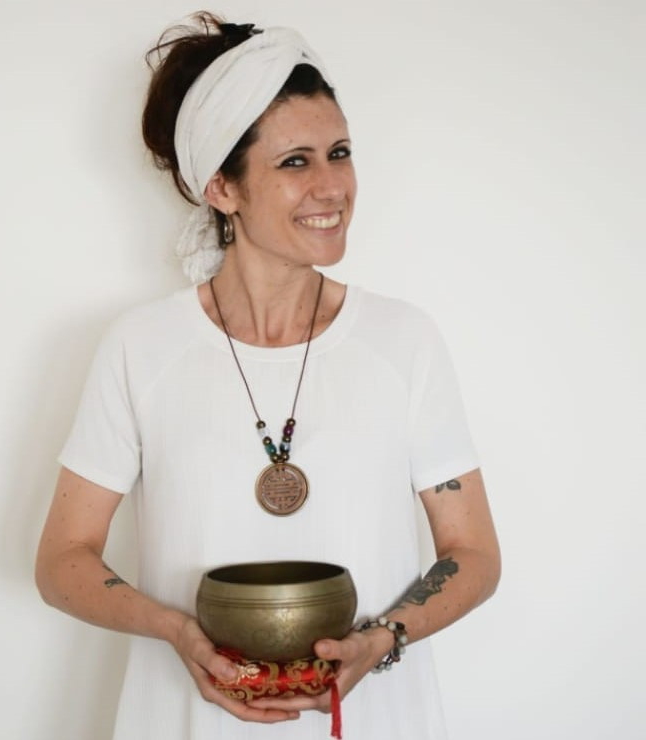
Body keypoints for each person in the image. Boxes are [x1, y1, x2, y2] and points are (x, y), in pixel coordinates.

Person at [35, 12, 500, 740]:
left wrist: (382, 640)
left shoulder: (403, 340)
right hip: (186, 718)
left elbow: (473, 554)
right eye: (295, 163)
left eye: (339, 153)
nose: (332, 186)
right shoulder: (141, 347)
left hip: (372, 719)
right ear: (222, 187)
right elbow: (62, 559)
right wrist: (176, 632)